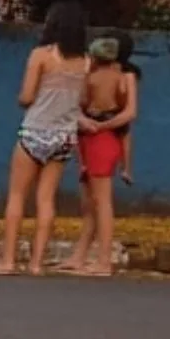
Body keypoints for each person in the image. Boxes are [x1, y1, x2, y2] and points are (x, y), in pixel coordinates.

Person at [0, 1, 89, 276]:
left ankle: (8, 260)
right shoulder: (86, 63)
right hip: (65, 136)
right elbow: (83, 101)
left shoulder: (41, 56)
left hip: (34, 131)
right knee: (46, 198)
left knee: (17, 196)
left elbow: (27, 96)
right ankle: (36, 263)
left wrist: (30, 98)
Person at [59, 30, 140, 276]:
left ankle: (104, 261)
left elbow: (128, 114)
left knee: (102, 201)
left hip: (101, 137)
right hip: (91, 137)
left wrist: (101, 125)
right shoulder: (103, 77)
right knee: (89, 202)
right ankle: (79, 256)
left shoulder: (122, 77)